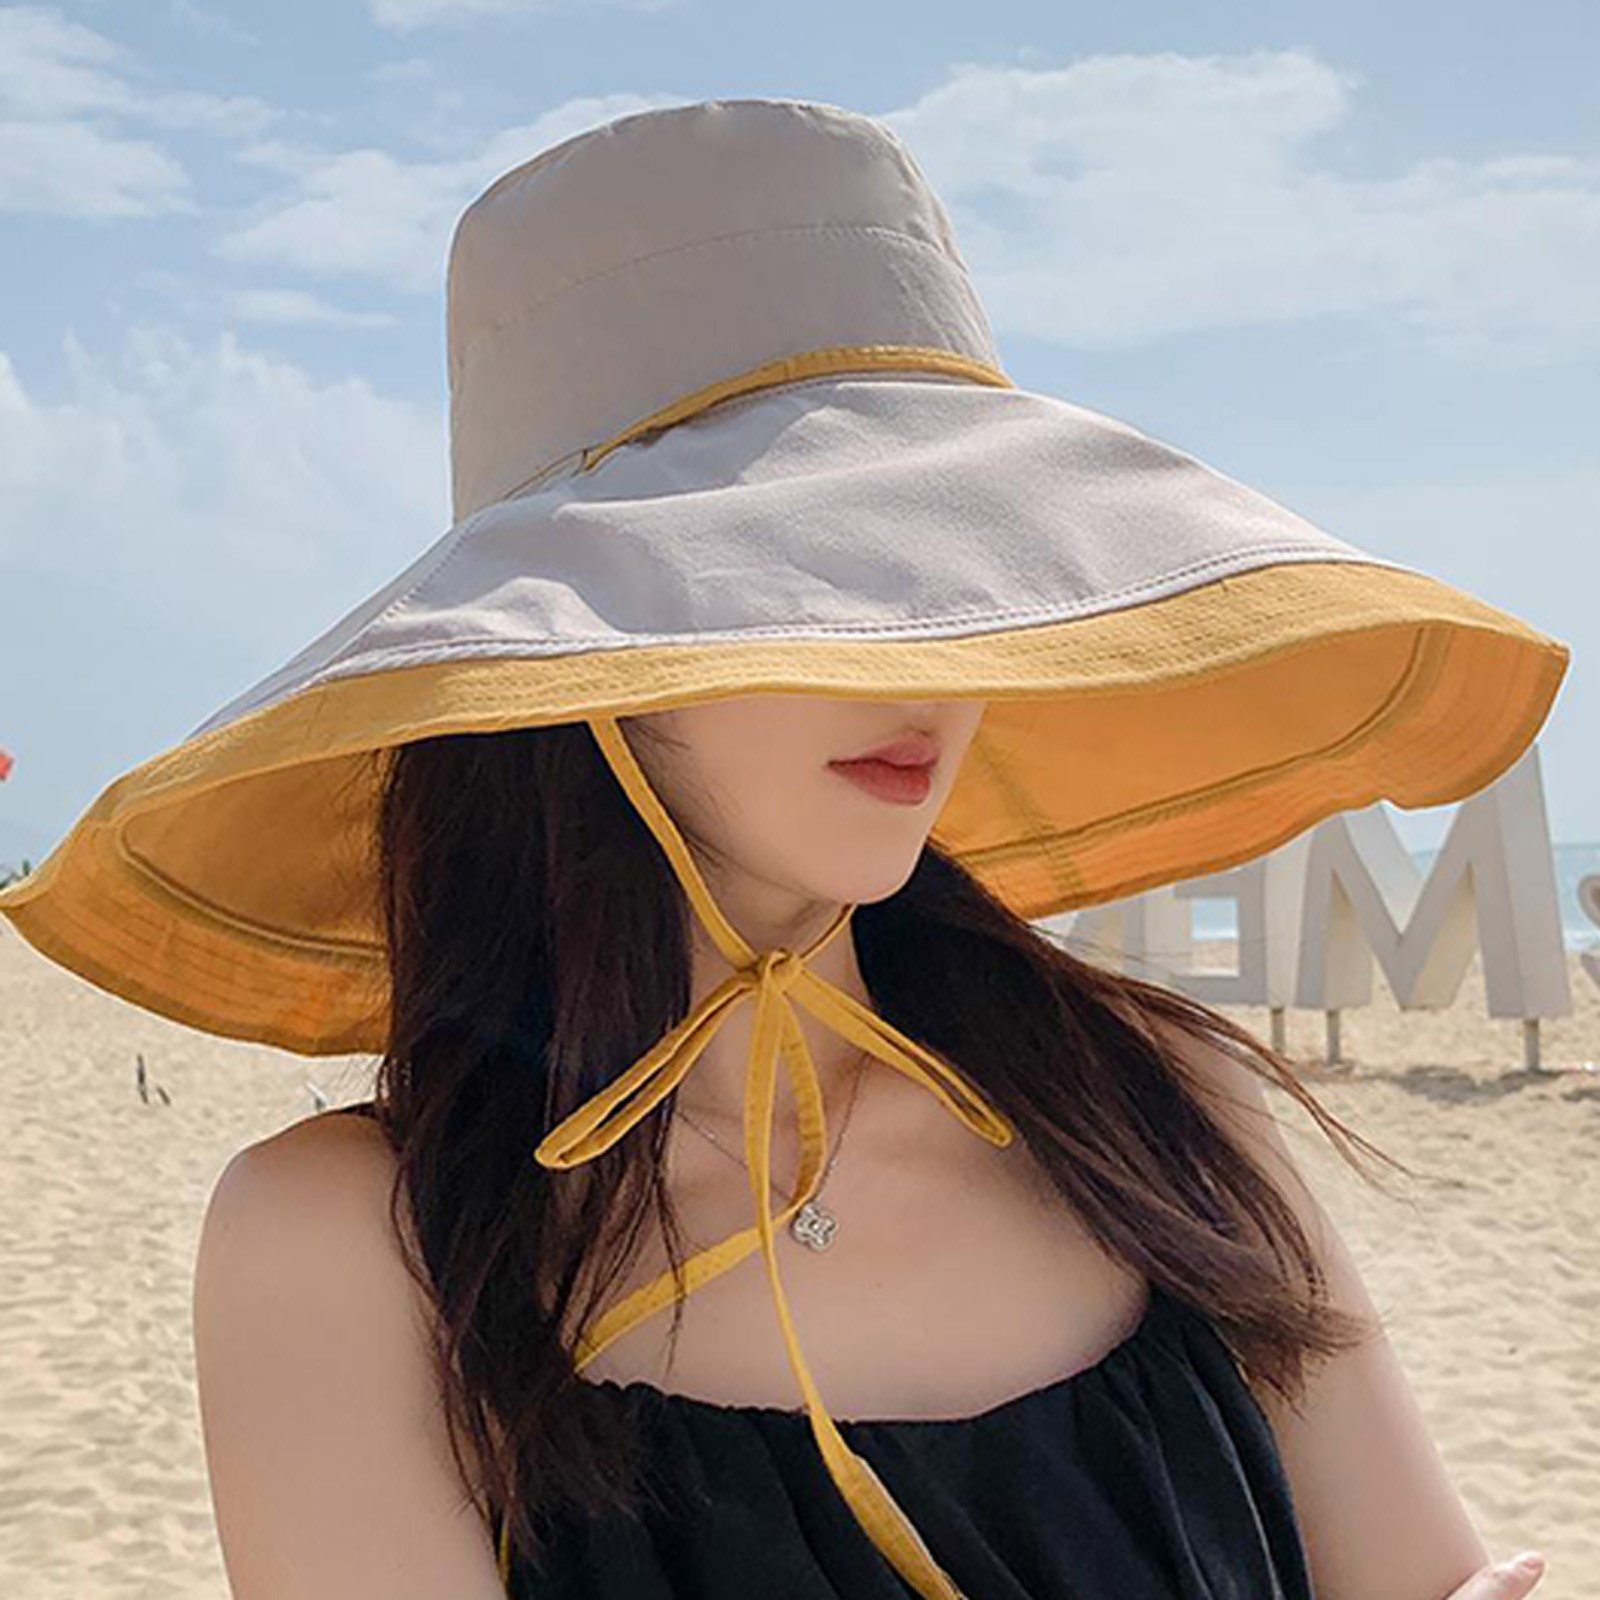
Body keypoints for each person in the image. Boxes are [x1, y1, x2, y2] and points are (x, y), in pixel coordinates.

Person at [0, 99, 1561, 1597]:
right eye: (804, 573)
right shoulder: (360, 1245)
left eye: (962, 566)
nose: (921, 654)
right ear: (564, 661)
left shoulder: (1164, 1104)